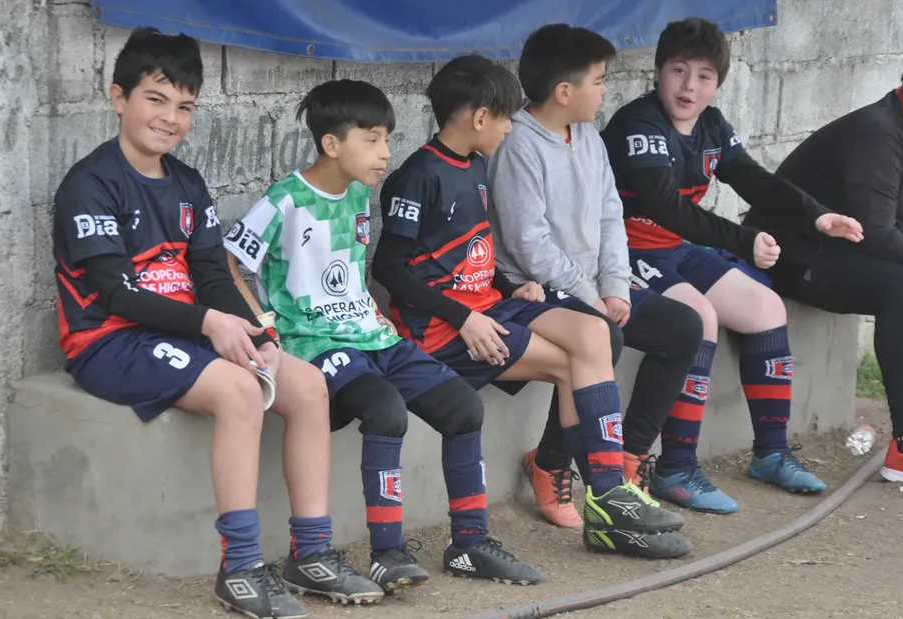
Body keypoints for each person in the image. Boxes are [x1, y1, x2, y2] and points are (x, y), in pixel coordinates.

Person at [51, 28, 360, 619]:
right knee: (241, 389)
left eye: (185, 106)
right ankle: (240, 566)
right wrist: (209, 325)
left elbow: (215, 277)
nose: (169, 118)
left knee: (306, 384)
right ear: (118, 98)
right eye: (155, 99)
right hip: (108, 340)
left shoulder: (189, 183)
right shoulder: (89, 184)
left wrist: (259, 334)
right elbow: (114, 292)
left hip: (182, 328)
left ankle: (311, 551)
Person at [225, 78, 543, 590]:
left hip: (375, 335)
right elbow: (228, 264)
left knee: (463, 407)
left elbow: (346, 271)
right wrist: (264, 327)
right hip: (317, 344)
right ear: (332, 144)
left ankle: (469, 543)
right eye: (371, 140)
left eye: (387, 139)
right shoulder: (285, 199)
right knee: (386, 409)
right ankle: (388, 554)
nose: (385, 154)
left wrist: (371, 312)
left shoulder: (355, 194)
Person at [373, 54, 691, 560]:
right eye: (504, 117)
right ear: (480, 118)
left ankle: (608, 497)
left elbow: (474, 248)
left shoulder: (475, 164)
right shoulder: (418, 177)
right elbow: (389, 269)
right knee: (574, 364)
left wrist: (505, 284)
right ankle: (608, 504)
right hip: (442, 330)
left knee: (593, 335)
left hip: (489, 307)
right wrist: (463, 316)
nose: (510, 127)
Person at [598, 18, 865, 512]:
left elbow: (754, 180)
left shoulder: (714, 126)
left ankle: (771, 453)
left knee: (766, 308)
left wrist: (818, 215)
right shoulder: (639, 124)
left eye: (703, 76)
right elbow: (665, 207)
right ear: (657, 72)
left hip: (677, 248)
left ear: (717, 84)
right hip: (626, 251)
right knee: (697, 318)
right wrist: (743, 240)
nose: (689, 86)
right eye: (678, 71)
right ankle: (676, 467)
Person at [485, 23, 707, 528]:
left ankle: (625, 464)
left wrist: (614, 285)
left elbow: (611, 214)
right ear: (565, 92)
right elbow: (528, 245)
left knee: (683, 327)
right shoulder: (517, 144)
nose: (605, 90)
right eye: (599, 81)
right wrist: (591, 296)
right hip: (539, 289)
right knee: (600, 339)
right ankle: (552, 464)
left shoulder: (586, 133)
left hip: (597, 286)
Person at [742, 38, 903, 487]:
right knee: (901, 283)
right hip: (791, 252)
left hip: (852, 245)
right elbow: (878, 234)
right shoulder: (878, 132)